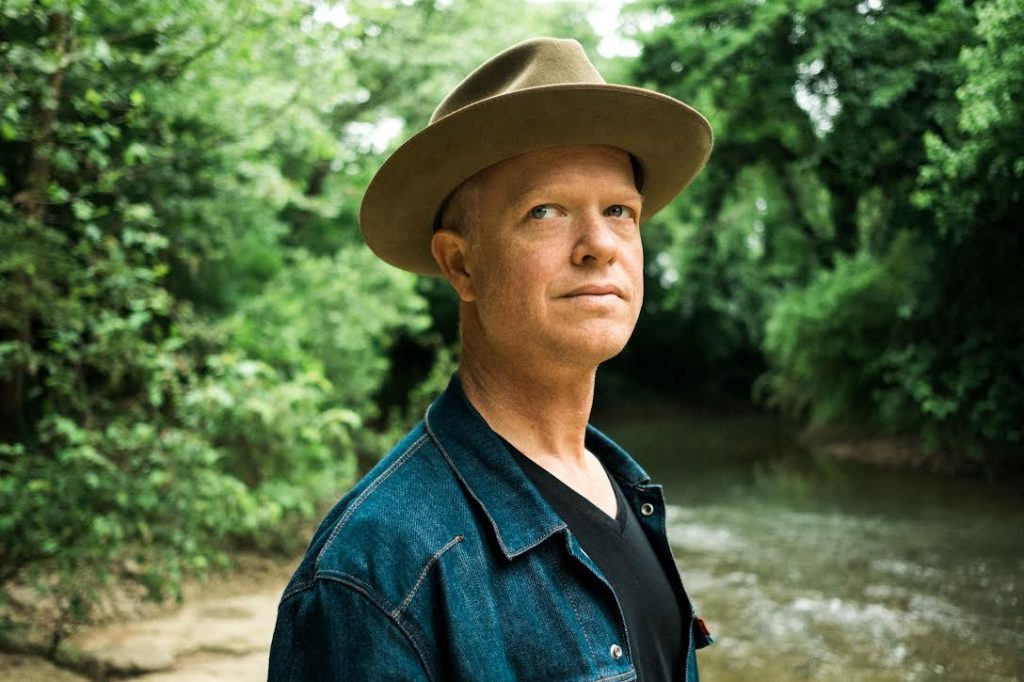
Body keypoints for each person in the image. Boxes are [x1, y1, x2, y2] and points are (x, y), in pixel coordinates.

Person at [269, 37, 714, 681]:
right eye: (546, 211)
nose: (599, 245)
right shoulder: (378, 570)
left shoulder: (626, 493)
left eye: (620, 210)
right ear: (461, 264)